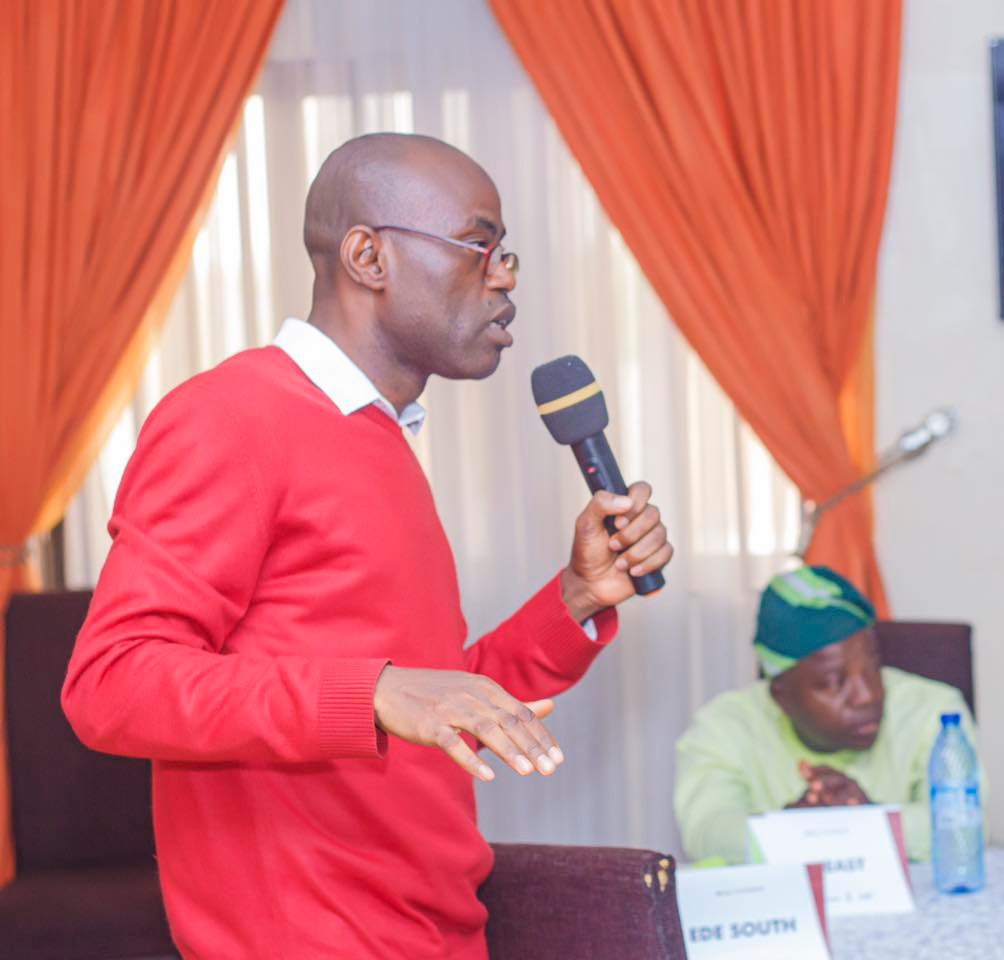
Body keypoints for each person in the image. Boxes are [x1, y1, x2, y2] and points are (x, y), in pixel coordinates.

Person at [61, 133, 674, 959]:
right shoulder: (232, 416)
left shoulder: (379, 439)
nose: (504, 276)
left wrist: (577, 597)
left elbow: (432, 706)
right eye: (480, 246)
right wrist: (376, 693)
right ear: (368, 257)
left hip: (436, 930)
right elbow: (112, 683)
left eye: (506, 255)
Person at [674, 565, 977, 864]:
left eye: (873, 666)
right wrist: (793, 828)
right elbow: (706, 833)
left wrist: (870, 821)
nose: (867, 695)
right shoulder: (724, 726)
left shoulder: (935, 711)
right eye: (835, 682)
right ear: (781, 696)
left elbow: (968, 825)